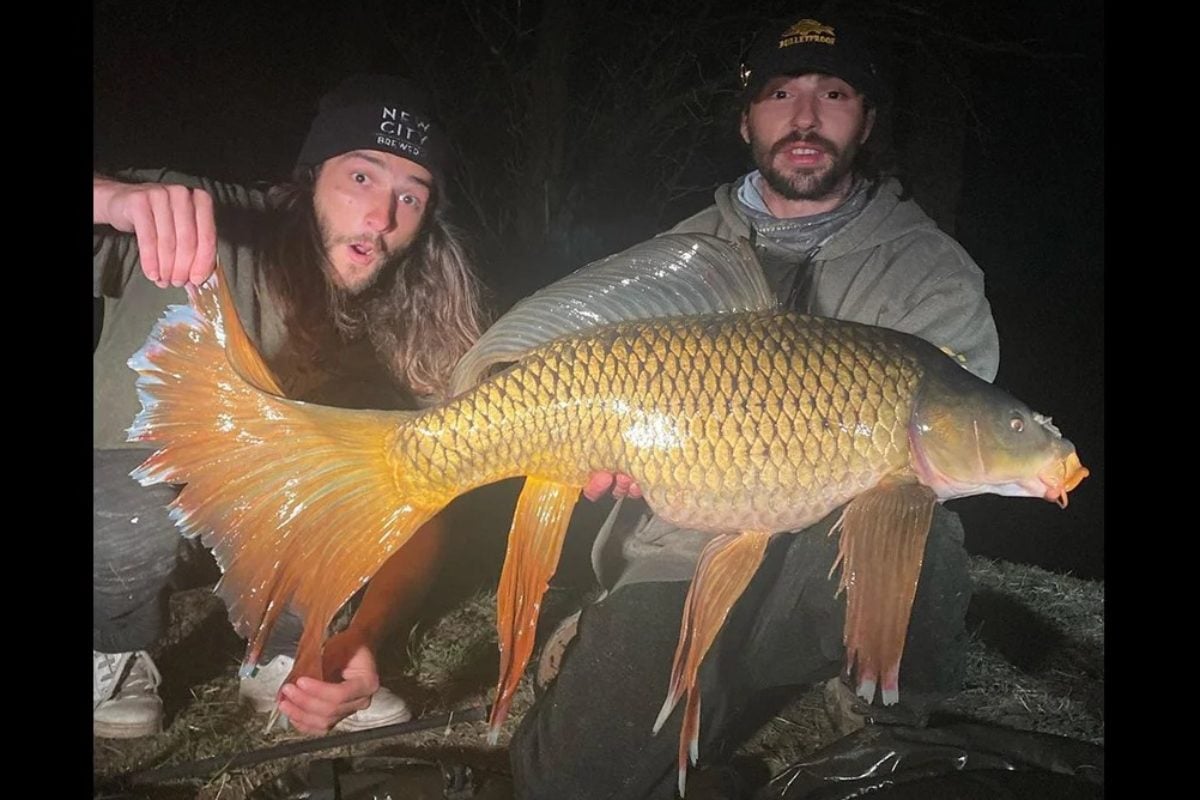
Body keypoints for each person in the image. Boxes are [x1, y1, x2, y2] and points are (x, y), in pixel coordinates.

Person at [510, 11, 1000, 799]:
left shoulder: (929, 273)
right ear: (747, 119)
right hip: (681, 552)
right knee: (568, 784)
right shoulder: (682, 256)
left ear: (866, 118)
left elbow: (947, 440)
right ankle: (636, 651)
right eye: (780, 93)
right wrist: (606, 451)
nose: (805, 117)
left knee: (920, 525)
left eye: (834, 92)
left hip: (825, 558)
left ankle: (892, 717)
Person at [93, 74, 488, 739]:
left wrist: (362, 635)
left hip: (255, 518)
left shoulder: (419, 324)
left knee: (356, 475)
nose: (382, 217)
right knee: (139, 487)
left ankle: (286, 653)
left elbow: (420, 509)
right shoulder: (207, 217)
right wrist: (111, 198)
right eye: (362, 178)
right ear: (310, 177)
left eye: (410, 196)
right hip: (131, 504)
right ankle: (110, 647)